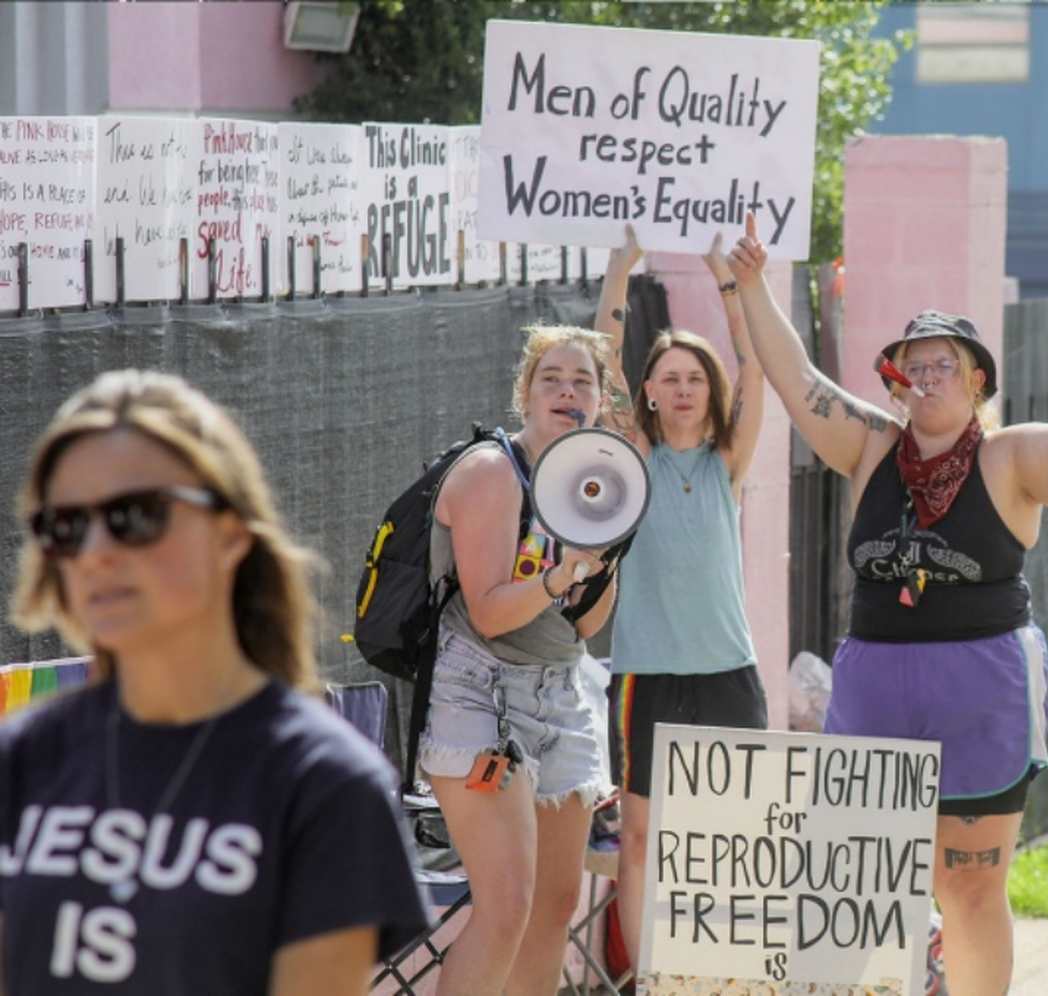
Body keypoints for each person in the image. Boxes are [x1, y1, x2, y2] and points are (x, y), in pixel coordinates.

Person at [727, 216, 1048, 994]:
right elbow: (795, 375)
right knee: (856, 879)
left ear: (977, 380)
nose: (928, 377)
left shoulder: (1010, 457)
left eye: (945, 364)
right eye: (914, 365)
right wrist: (750, 286)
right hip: (877, 683)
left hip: (982, 686)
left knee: (968, 887)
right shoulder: (871, 444)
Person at [2, 369, 428, 995]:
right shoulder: (24, 758)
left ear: (230, 536)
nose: (94, 552)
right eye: (64, 524)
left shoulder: (325, 786)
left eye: (135, 514)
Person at [418, 323, 619, 995]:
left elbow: (585, 625)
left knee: (553, 909)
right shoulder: (492, 474)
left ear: (600, 400)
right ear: (525, 394)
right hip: (479, 692)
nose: (568, 392)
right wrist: (559, 576)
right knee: (505, 907)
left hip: (560, 693)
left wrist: (603, 553)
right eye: (552, 379)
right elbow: (490, 611)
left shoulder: (596, 480)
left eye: (583, 381)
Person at [593, 225, 768, 975]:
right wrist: (619, 272)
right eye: (669, 377)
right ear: (651, 394)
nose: (684, 387)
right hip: (647, 677)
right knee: (640, 841)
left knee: (730, 840)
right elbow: (603, 368)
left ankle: (719, 976)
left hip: (728, 674)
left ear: (709, 390)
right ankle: (646, 980)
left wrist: (726, 283)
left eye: (695, 376)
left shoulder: (730, 459)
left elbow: (757, 366)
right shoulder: (633, 462)